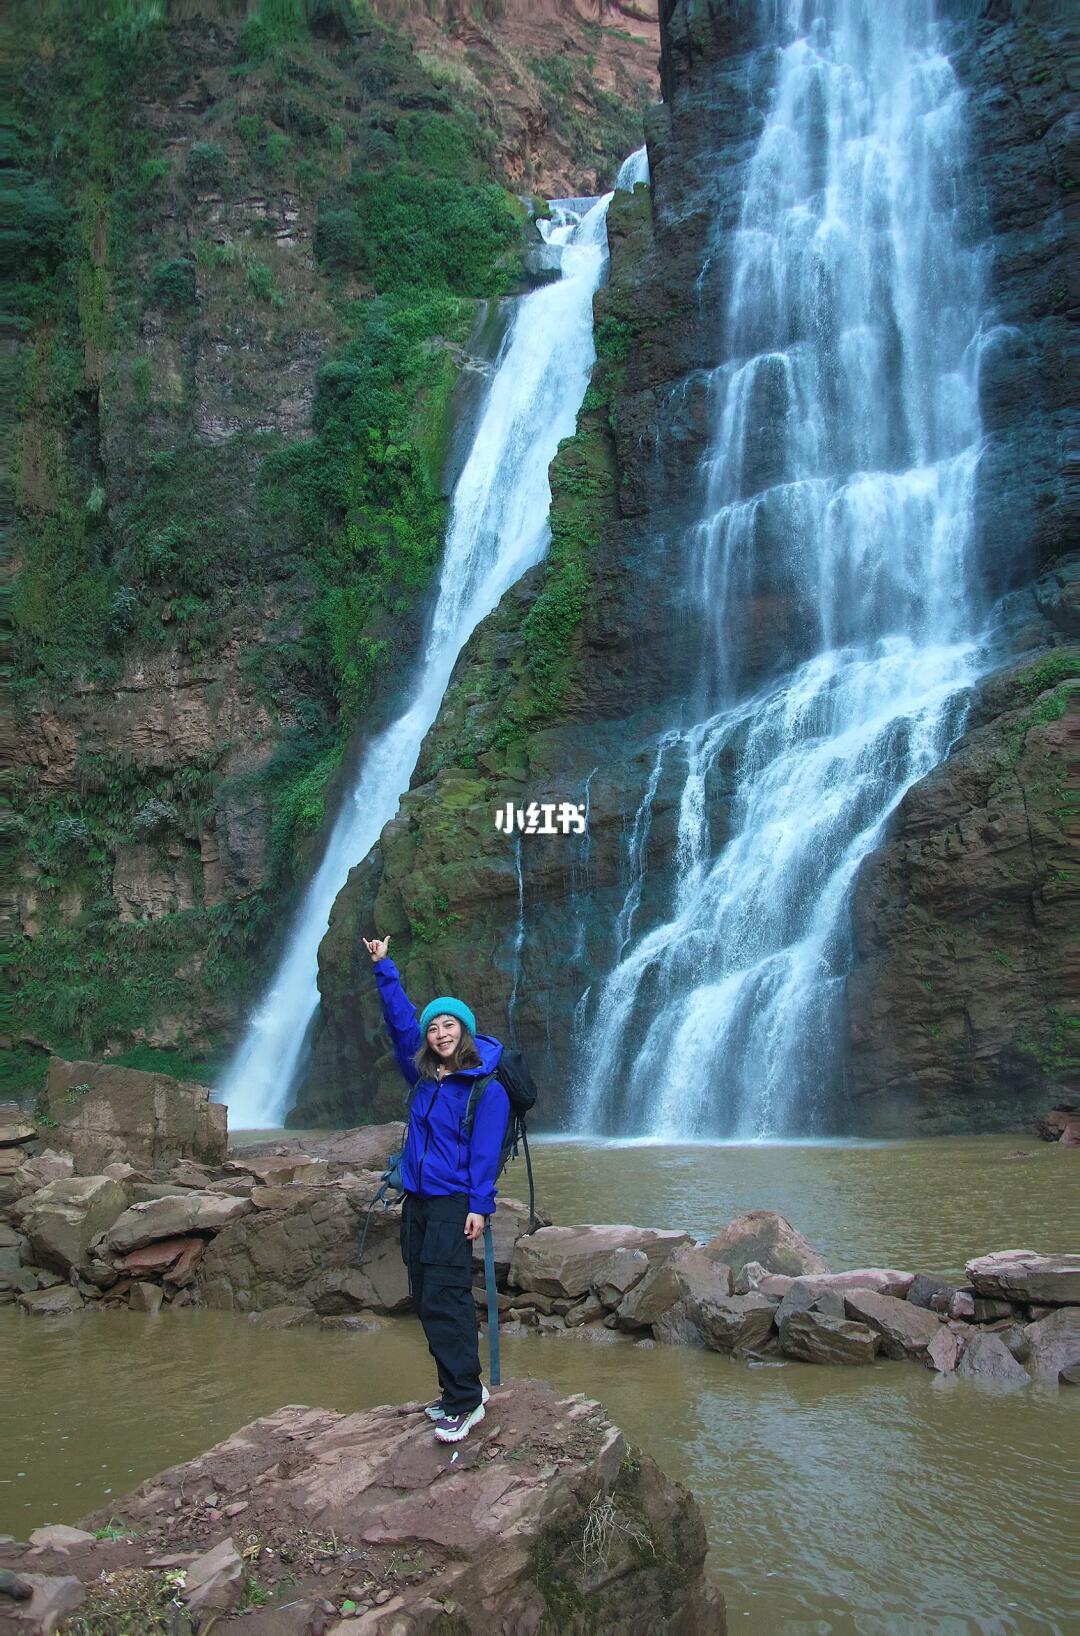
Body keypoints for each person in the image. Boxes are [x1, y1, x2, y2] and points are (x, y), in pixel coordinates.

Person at [363, 933, 510, 1444]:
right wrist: (386, 968)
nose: (440, 1032)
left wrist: (480, 1206)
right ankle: (457, 1389)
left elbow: (486, 1153)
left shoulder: (485, 1089)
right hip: (418, 1201)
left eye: (450, 1024)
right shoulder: (424, 1077)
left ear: (465, 1031)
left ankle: (466, 1402)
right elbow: (400, 1021)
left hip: (453, 1204)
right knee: (426, 1296)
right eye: (434, 1026)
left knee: (447, 1298)